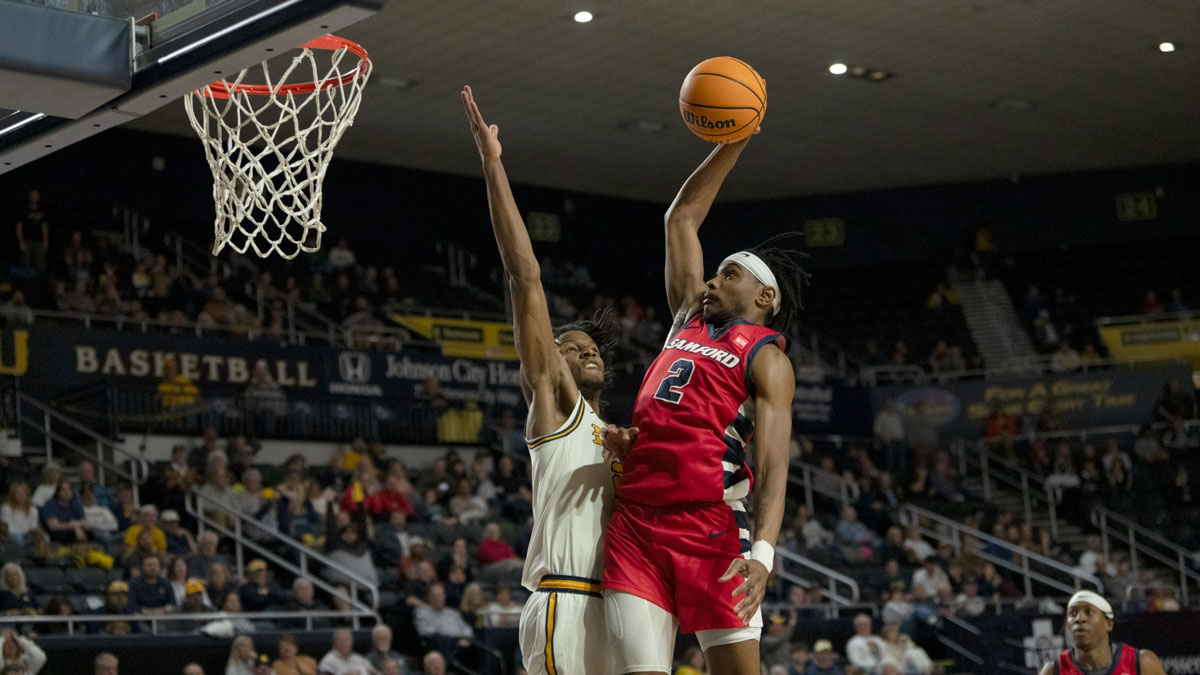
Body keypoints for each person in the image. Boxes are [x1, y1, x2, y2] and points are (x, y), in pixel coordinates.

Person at [601, 133, 803, 675]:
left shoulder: (766, 359)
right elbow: (681, 217)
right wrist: (734, 140)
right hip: (637, 523)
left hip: (710, 527)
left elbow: (774, 465)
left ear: (765, 297)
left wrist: (763, 554)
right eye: (714, 273)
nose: (712, 281)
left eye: (729, 275)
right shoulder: (687, 316)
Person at [463, 86, 618, 675]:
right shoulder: (557, 404)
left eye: (588, 347)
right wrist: (493, 167)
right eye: (567, 348)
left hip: (619, 603)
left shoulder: (615, 431)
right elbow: (524, 277)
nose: (582, 351)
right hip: (565, 600)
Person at [1037, 591, 1166, 675]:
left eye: (1089, 612)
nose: (1079, 619)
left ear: (1109, 623)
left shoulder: (1142, 663)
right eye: (1073, 613)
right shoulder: (1053, 671)